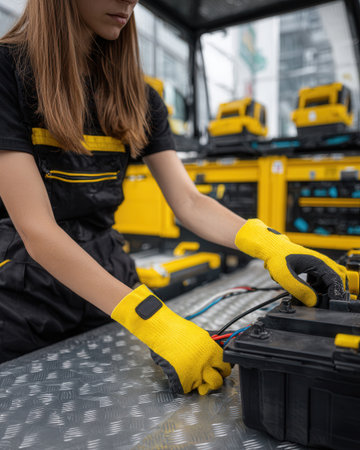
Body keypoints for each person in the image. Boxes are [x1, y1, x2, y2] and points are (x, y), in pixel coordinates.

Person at [0, 0, 348, 395]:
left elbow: (189, 202)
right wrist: (152, 320)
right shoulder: (7, 70)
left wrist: (271, 244)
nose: (129, 1)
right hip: (24, 297)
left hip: (111, 283)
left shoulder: (138, 97)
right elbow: (37, 229)